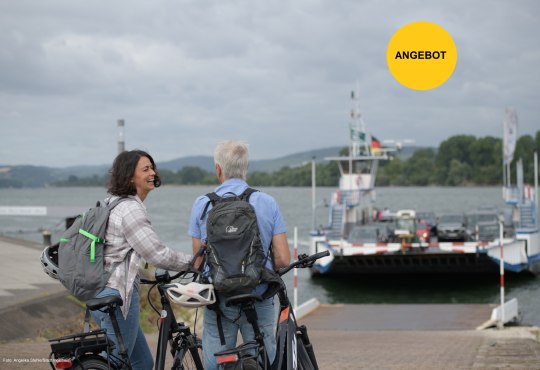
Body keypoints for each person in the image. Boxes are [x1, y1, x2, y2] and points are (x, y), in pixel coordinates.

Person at [188, 140, 291, 370]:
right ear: (246, 168)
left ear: (218, 169)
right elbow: (283, 259)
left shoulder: (202, 204)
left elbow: (197, 262)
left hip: (218, 298)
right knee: (263, 360)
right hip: (259, 295)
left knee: (216, 361)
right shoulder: (266, 202)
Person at [91, 149, 192, 370]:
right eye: (145, 169)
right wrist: (192, 262)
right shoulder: (130, 209)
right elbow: (156, 253)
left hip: (100, 289)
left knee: (142, 363)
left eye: (152, 167)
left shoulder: (112, 202)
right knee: (116, 362)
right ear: (129, 176)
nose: (153, 173)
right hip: (118, 296)